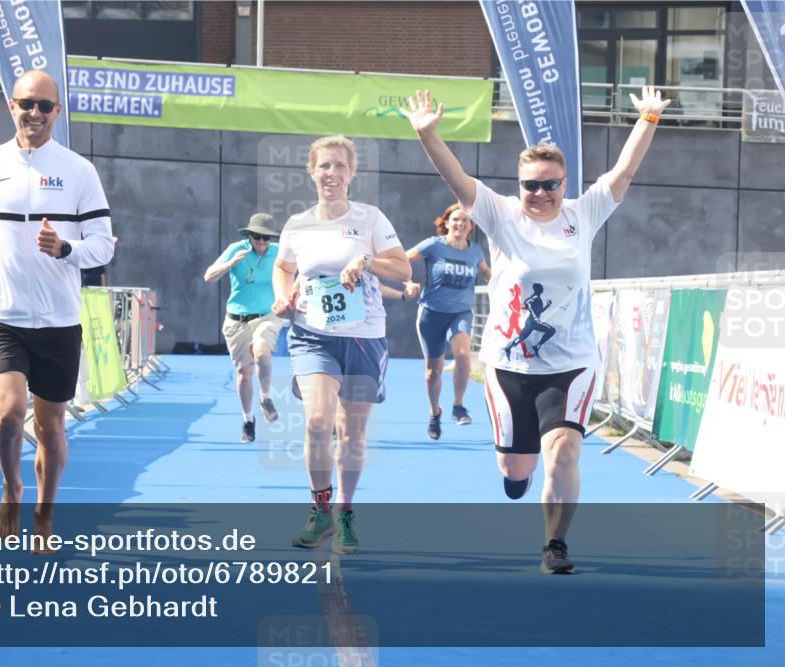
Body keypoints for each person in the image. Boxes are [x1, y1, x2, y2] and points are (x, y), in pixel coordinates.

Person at [403, 87, 670, 574]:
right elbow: (456, 178)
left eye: (550, 185)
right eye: (532, 185)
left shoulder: (583, 213)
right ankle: (516, 473)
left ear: (564, 185)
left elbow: (624, 171)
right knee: (516, 470)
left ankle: (556, 545)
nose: (541, 194)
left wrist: (648, 117)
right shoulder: (499, 213)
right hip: (509, 365)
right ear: (518, 184)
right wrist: (427, 134)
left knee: (563, 452)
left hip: (571, 364)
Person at [0, 70, 115, 545]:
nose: (35, 113)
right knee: (9, 413)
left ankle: (45, 516)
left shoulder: (79, 171)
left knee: (51, 430)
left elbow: (103, 246)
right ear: (12, 106)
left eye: (45, 106)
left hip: (58, 319)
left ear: (57, 112)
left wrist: (67, 249)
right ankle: (12, 487)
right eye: (26, 103)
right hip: (0, 314)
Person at [272, 135, 411, 555]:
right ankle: (320, 509)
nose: (331, 173)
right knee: (317, 421)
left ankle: (346, 515)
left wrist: (366, 261)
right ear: (311, 172)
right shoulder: (297, 224)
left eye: (339, 166)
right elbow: (283, 266)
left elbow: (402, 268)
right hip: (312, 334)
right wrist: (282, 295)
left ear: (351, 174)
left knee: (351, 435)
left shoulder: (369, 219)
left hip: (364, 338)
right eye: (323, 166)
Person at [403, 204, 490, 439]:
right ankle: (435, 412)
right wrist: (407, 282)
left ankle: (458, 406)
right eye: (455, 220)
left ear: (471, 226)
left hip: (460, 313)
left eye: (465, 221)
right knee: (433, 371)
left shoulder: (475, 252)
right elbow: (403, 259)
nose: (460, 224)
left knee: (462, 355)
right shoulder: (433, 245)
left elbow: (487, 273)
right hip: (431, 313)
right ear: (447, 223)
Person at [204, 213, 283, 442]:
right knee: (244, 373)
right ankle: (248, 421)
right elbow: (208, 276)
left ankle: (266, 398)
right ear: (249, 235)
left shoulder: (278, 252)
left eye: (266, 238)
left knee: (261, 352)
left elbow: (300, 268)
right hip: (237, 319)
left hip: (266, 316)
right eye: (257, 237)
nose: (261, 242)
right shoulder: (236, 249)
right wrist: (230, 264)